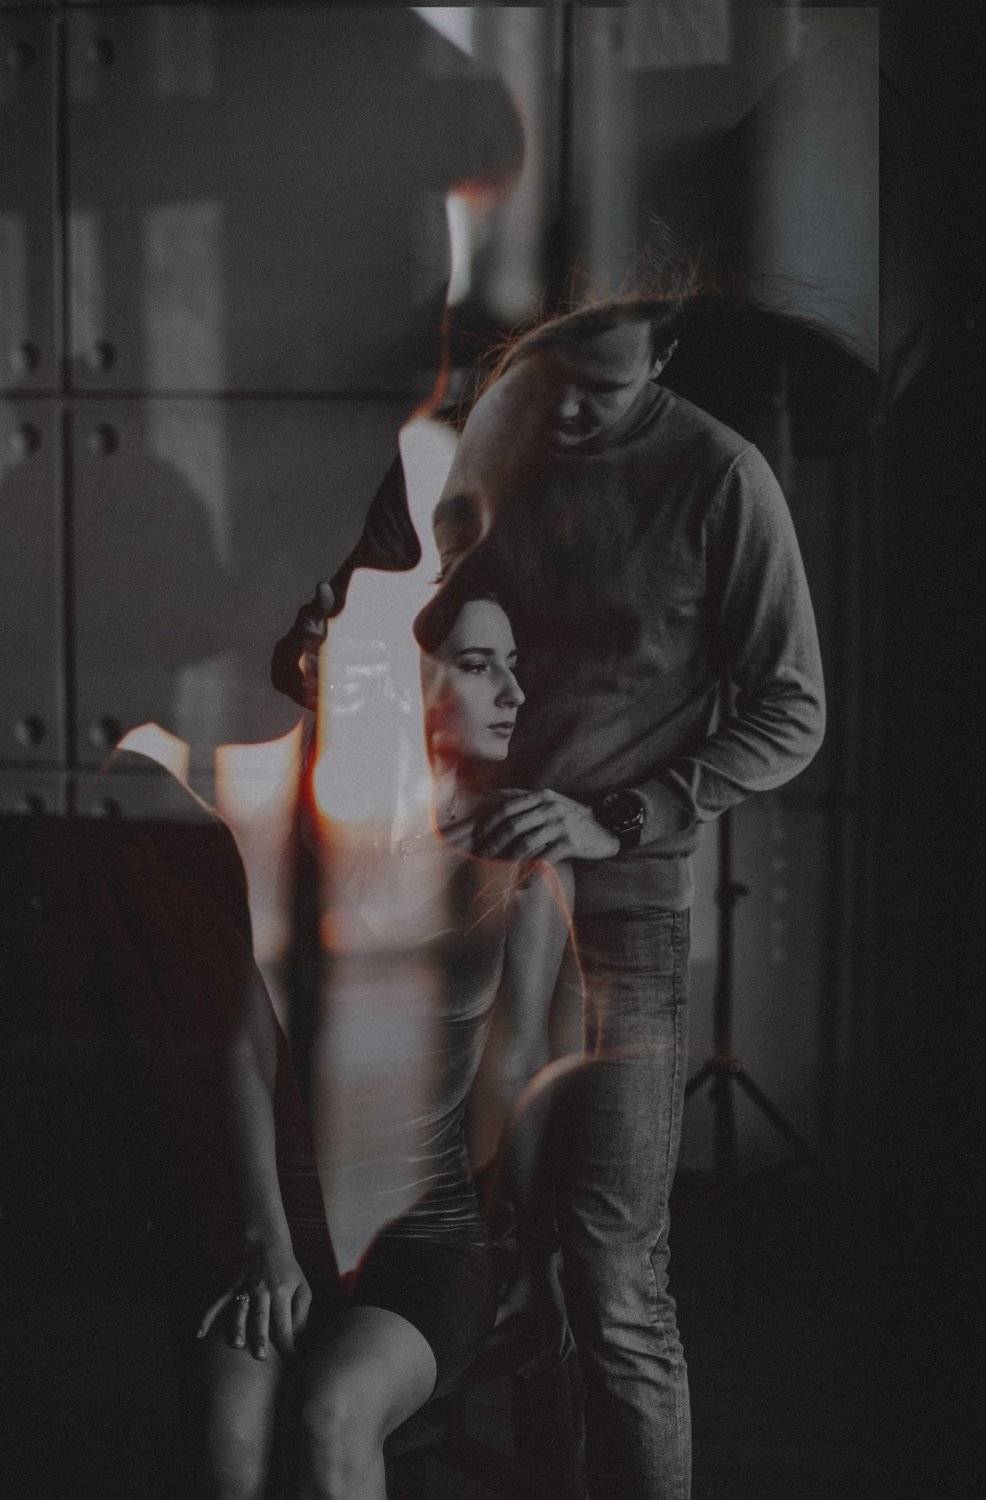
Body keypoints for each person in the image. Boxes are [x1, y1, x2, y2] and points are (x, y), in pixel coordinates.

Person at [274, 289, 826, 1498]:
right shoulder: (461, 445)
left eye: (603, 393)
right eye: (549, 379)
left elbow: (793, 709)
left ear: (662, 357)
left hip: (616, 912)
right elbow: (360, 638)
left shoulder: (720, 476)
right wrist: (318, 647)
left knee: (614, 1282)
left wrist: (614, 815)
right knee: (478, 1258)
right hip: (444, 905)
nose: (564, 415)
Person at [194, 590, 580, 1500]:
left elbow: (521, 1066)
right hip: (289, 1230)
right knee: (232, 1438)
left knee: (333, 1410)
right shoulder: (297, 837)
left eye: (513, 663)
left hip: (430, 1237)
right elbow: (246, 1054)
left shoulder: (525, 856)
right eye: (480, 665)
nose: (515, 691)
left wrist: (543, 1250)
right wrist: (266, 1244)